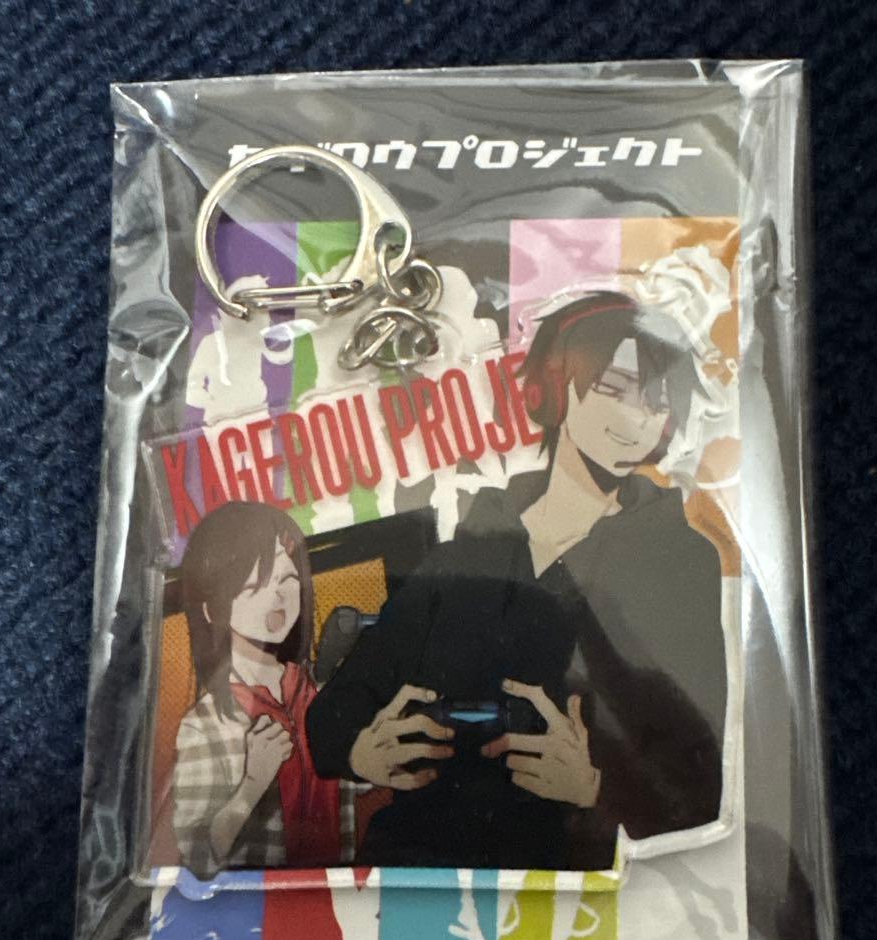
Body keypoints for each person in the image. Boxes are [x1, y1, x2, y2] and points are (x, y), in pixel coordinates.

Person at [307, 292, 726, 869]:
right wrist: (361, 750)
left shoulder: (680, 561)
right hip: (415, 866)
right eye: (613, 388)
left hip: (571, 879)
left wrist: (597, 789)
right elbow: (335, 710)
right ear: (555, 387)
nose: (637, 418)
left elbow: (703, 782)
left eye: (656, 401)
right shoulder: (464, 554)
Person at [172, 501, 351, 876]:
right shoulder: (204, 726)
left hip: (342, 892)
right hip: (260, 902)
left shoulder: (320, 693)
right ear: (212, 609)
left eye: (287, 580)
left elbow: (350, 785)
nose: (277, 597)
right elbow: (196, 858)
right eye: (255, 587)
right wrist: (251, 785)